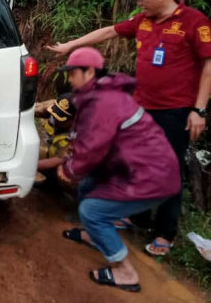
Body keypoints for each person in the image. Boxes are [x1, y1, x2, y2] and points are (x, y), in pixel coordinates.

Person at [47, 0, 211, 255]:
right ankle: (135, 215)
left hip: (175, 111)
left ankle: (165, 232)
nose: (139, 3)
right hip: (141, 107)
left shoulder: (194, 22)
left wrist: (199, 110)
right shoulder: (142, 21)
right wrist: (70, 46)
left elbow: (210, 66)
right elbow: (107, 32)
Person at [56, 47, 180, 292]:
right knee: (90, 184)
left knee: (92, 211)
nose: (69, 78)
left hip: (150, 177)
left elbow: (92, 147)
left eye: (73, 73)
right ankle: (94, 236)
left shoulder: (103, 101)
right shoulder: (101, 95)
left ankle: (125, 271)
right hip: (137, 167)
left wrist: (69, 169)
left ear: (90, 71)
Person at [34, 94, 75, 183]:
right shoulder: (56, 107)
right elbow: (36, 108)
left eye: (60, 118)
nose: (55, 119)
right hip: (52, 150)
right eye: (54, 114)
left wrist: (30, 166)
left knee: (64, 174)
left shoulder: (82, 136)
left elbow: (60, 159)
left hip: (68, 161)